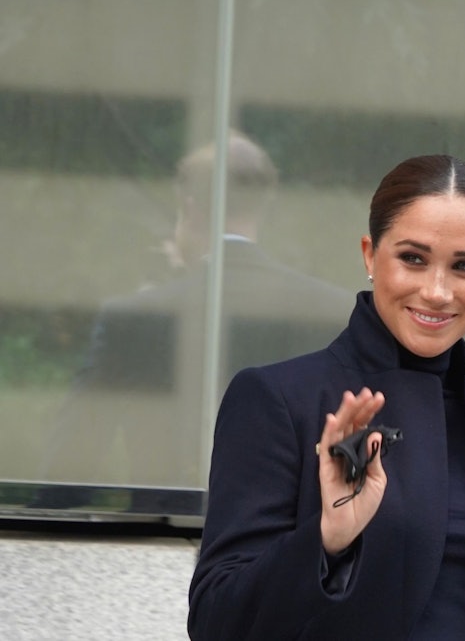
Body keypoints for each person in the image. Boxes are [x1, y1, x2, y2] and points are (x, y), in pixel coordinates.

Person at [188, 154, 465, 640]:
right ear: (370, 255)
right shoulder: (279, 400)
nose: (437, 291)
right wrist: (327, 540)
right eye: (413, 258)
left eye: (464, 266)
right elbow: (216, 621)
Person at [39, 132, 350, 496]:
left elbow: (68, 468)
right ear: (262, 207)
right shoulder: (333, 311)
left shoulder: (134, 318)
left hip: (165, 519)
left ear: (190, 208)